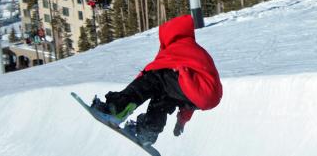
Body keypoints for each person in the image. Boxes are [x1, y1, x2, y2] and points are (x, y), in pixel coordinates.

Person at [91, 15, 222, 146]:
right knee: (164, 93)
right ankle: (148, 131)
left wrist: (134, 87)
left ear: (168, 35)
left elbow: (151, 70)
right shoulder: (193, 48)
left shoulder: (177, 46)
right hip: (207, 96)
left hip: (194, 88)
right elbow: (199, 92)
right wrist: (182, 120)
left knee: (154, 79)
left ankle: (117, 108)